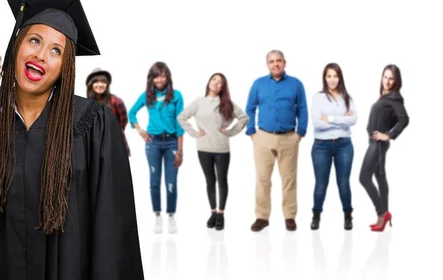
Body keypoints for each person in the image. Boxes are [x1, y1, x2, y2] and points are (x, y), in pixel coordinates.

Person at [0, 0, 144, 280]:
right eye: (34, 40)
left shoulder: (92, 124)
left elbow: (113, 233)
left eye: (57, 50)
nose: (41, 55)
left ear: (65, 68)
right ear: (16, 46)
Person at [245, 49, 308, 232]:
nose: (275, 64)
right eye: (272, 61)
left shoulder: (296, 84)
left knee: (289, 179)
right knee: (263, 179)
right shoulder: (258, 84)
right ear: (267, 64)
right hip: (263, 138)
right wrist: (252, 132)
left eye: (278, 61)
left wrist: (300, 133)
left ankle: (289, 216)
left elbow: (302, 109)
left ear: (285, 63)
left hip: (289, 138)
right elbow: (250, 108)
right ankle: (262, 217)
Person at [177, 73, 248, 230]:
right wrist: (194, 133)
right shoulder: (199, 102)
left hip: (222, 148)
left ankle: (221, 213)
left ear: (223, 87)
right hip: (203, 148)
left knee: (222, 181)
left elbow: (244, 118)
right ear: (209, 82)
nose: (216, 83)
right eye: (214, 80)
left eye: (220, 82)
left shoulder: (226, 103)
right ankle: (213, 212)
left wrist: (229, 132)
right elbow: (181, 117)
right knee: (210, 181)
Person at [128, 61, 185, 234]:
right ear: (151, 79)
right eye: (156, 76)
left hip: (172, 143)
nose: (159, 79)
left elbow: (180, 123)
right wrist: (140, 131)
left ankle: (171, 216)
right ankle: (157, 216)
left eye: (162, 75)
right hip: (153, 143)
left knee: (171, 182)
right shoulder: (147, 96)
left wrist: (180, 151)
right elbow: (132, 113)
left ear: (167, 77)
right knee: (154, 181)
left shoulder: (176, 95)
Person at [359, 64, 409, 232]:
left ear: (396, 81)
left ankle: (382, 213)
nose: (387, 81)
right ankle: (383, 217)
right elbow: (392, 118)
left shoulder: (394, 97)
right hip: (374, 143)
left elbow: (404, 119)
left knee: (364, 178)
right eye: (385, 77)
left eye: (391, 78)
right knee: (380, 177)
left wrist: (388, 134)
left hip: (379, 144)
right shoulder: (385, 96)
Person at [309, 63, 357, 231]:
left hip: (344, 145)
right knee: (321, 184)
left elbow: (353, 120)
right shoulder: (318, 97)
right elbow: (316, 123)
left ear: (340, 78)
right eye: (329, 76)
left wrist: (328, 118)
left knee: (343, 183)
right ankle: (316, 215)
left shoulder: (347, 97)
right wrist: (341, 119)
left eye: (335, 76)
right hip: (322, 145)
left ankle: (348, 215)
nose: (332, 80)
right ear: (324, 78)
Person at [85, 67, 130, 156]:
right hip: (95, 146)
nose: (100, 84)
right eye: (96, 82)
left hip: (115, 144)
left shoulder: (116, 101)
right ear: (91, 84)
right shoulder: (87, 103)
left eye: (103, 82)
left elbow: (123, 122)